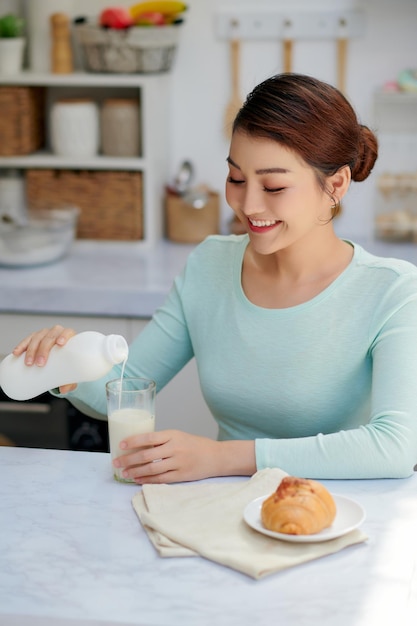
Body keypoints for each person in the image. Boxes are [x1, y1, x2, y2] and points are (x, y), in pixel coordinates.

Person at [13, 73, 417, 483]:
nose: (248, 204)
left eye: (274, 186)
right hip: (228, 515)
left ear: (336, 185)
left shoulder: (393, 291)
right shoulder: (210, 265)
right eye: (236, 179)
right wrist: (66, 367)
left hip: (340, 519)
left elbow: (395, 447)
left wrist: (222, 458)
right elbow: (124, 387)